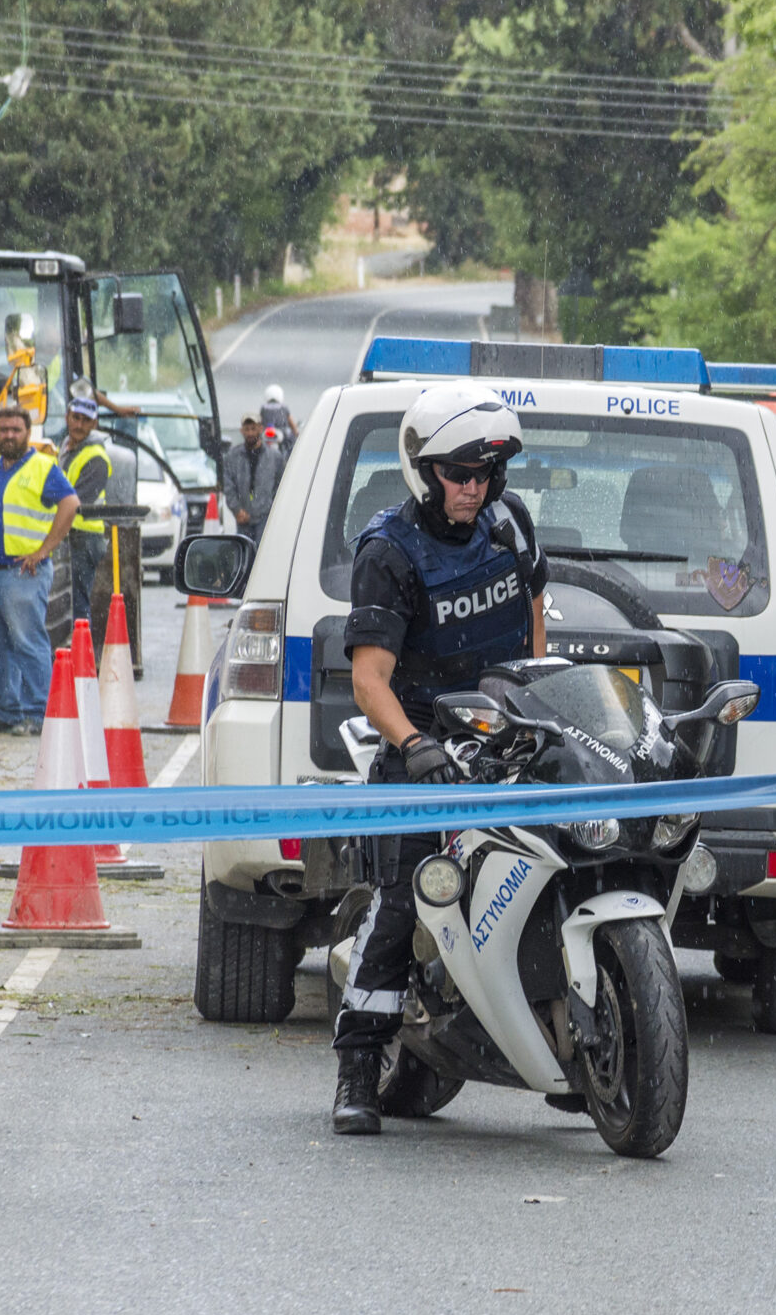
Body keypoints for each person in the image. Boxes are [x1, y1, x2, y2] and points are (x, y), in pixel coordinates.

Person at [331, 383, 549, 1136]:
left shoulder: (510, 524)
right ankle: (357, 1066)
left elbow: (534, 619)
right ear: (425, 471)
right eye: (457, 472)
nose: (472, 487)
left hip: (509, 731)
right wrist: (415, 746)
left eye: (484, 473)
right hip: (420, 740)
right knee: (405, 896)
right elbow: (369, 679)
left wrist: (542, 706)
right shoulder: (388, 550)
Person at [0, 405, 80, 736]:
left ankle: (38, 713)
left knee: (28, 643)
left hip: (21, 574)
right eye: (4, 430)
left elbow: (70, 504)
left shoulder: (42, 467)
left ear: (27, 434)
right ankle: (8, 712)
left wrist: (44, 550)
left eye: (16, 430)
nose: (10, 435)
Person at [57, 393, 113, 631]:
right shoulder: (67, 448)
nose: (78, 425)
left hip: (85, 537)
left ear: (94, 424)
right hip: (71, 534)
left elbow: (77, 502)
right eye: (75, 418)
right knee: (68, 602)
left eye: (85, 420)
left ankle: (81, 658)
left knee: (78, 604)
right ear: (67, 417)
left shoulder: (96, 458)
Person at [220, 414, 284, 546]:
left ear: (260, 429)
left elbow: (280, 487)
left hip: (265, 518)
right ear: (241, 431)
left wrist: (271, 508)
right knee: (245, 556)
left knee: (263, 555)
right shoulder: (233, 456)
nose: (250, 433)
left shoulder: (275, 458)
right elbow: (227, 485)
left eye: (253, 428)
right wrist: (237, 509)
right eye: (247, 429)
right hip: (243, 519)